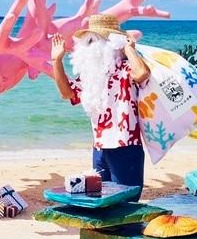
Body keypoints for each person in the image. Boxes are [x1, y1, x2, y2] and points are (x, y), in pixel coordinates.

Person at [50, 13, 152, 188]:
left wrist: (128, 48)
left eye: (96, 40)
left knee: (125, 201)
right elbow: (67, 93)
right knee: (102, 198)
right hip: (99, 147)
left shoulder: (125, 69)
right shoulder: (90, 75)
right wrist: (56, 60)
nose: (92, 47)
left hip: (125, 145)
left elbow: (142, 74)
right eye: (89, 42)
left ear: (112, 44)